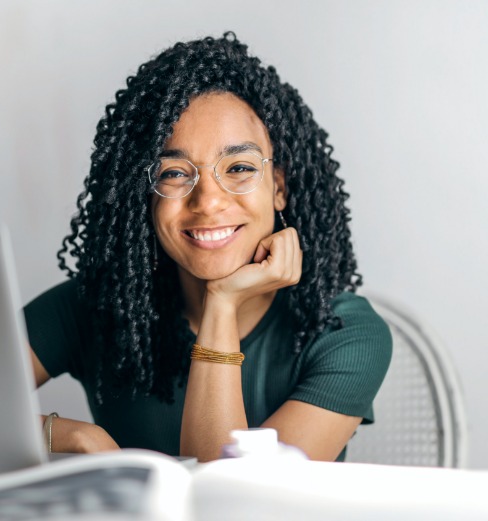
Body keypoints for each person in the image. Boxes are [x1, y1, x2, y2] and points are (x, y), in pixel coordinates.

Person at [24, 32, 392, 463]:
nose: (209, 201)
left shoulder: (343, 332)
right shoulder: (96, 305)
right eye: (175, 174)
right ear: (143, 195)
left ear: (279, 187)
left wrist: (222, 302)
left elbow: (234, 501)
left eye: (238, 167)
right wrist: (72, 436)